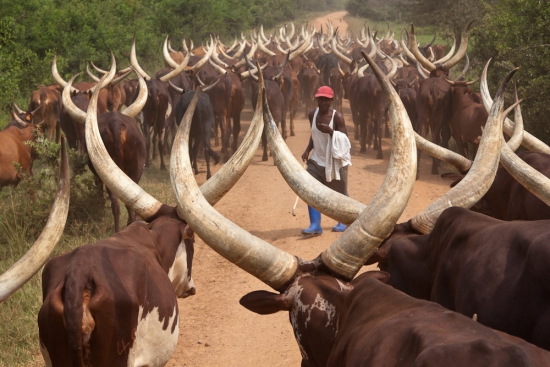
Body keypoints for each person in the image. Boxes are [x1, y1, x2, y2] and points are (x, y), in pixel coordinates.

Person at [301, 86, 351, 235]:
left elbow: (345, 140)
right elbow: (314, 135)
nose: (323, 102)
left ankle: (343, 221)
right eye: (320, 99)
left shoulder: (337, 117)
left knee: (339, 192)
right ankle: (315, 225)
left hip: (335, 161)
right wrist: (307, 149)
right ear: (316, 99)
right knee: (310, 189)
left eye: (326, 100)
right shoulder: (312, 115)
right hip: (316, 159)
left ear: (331, 101)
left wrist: (331, 132)